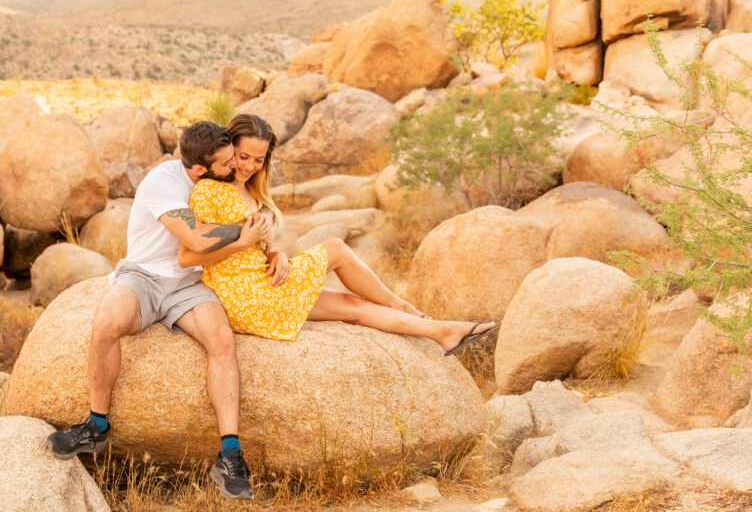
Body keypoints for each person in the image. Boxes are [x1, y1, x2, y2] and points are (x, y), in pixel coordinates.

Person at [46, 121, 271, 501]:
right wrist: (244, 231)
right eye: (229, 160)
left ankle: (230, 453)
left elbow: (257, 213)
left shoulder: (221, 181)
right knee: (106, 323)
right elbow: (197, 238)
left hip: (190, 283)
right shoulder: (164, 183)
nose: (237, 165)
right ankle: (95, 426)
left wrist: (270, 243)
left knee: (223, 342)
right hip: (144, 277)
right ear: (200, 168)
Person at [179, 113, 500, 350]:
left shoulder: (251, 194)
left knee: (352, 306)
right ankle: (405, 308)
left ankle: (441, 332)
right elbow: (194, 254)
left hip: (262, 284)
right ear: (228, 147)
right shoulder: (210, 191)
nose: (249, 166)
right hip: (244, 296)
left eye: (259, 160)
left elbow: (249, 247)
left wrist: (277, 254)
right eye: (243, 156)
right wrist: (244, 240)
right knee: (335, 248)